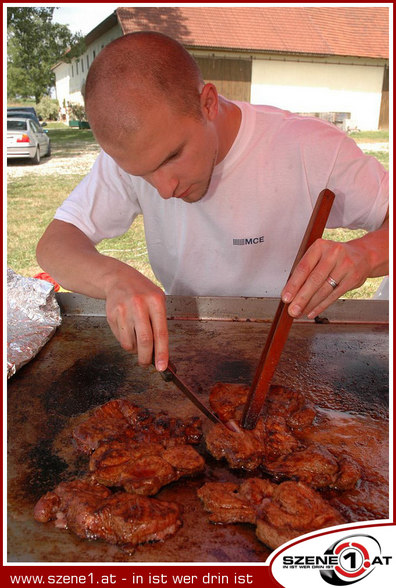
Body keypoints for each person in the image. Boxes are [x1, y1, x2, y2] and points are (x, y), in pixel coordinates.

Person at [36, 32, 389, 372]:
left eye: (172, 157)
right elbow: (55, 244)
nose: (164, 189)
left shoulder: (308, 147)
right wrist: (112, 279)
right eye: (143, 174)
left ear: (208, 103)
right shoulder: (137, 153)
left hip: (298, 351)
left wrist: (365, 255)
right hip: (191, 349)